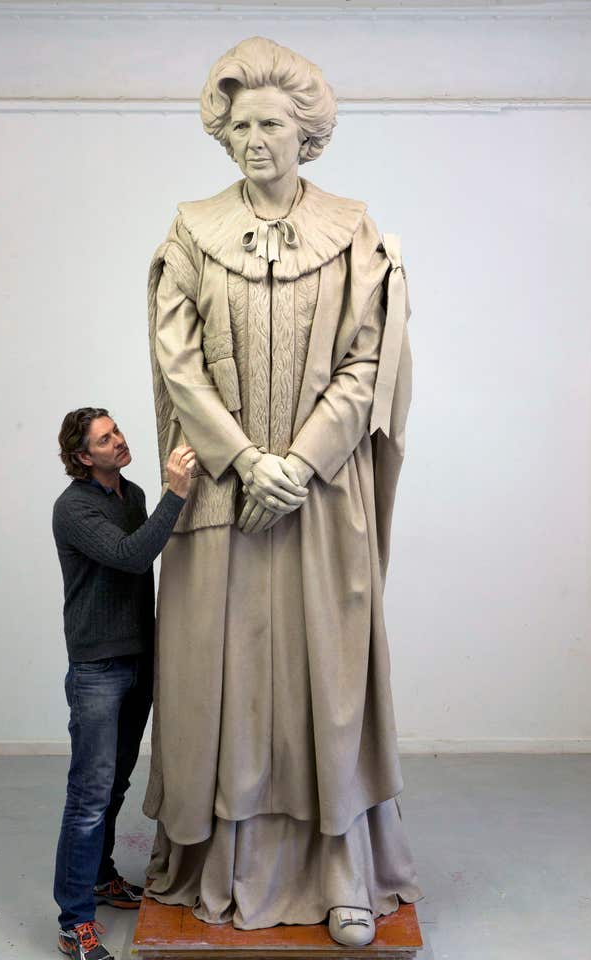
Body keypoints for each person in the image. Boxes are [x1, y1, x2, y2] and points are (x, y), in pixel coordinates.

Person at [144, 37, 422, 947]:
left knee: (328, 679)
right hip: (224, 502)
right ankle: (212, 860)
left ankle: (340, 865)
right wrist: (240, 459)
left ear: (308, 133)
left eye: (272, 124)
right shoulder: (194, 229)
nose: (254, 139)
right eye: (240, 124)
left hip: (320, 497)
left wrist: (298, 462)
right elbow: (176, 361)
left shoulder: (354, 233)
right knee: (218, 682)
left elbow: (366, 361)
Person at [52, 406, 195, 960]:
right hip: (97, 669)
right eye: (105, 439)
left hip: (138, 660)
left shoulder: (129, 494)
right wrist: (176, 495)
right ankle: (74, 920)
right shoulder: (73, 509)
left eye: (117, 433)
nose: (120, 442)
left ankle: (100, 875)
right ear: (83, 457)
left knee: (113, 787)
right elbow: (133, 557)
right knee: (88, 795)